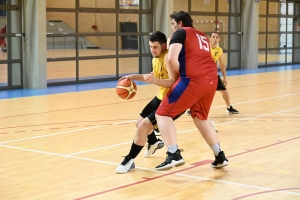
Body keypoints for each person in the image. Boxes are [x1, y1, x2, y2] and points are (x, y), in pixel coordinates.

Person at [144, 11, 228, 171]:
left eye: (173, 24)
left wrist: (181, 74)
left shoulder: (180, 33)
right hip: (211, 80)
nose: (172, 28)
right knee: (200, 117)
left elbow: (170, 58)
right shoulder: (202, 35)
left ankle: (173, 154)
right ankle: (220, 156)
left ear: (180, 24)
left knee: (162, 114)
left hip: (193, 79)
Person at [115, 31, 184, 174]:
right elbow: (150, 77)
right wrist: (132, 77)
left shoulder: (168, 58)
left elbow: (172, 82)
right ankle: (153, 142)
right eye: (151, 47)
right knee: (138, 123)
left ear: (164, 46)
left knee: (142, 128)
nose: (152, 50)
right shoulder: (155, 59)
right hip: (160, 97)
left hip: (170, 100)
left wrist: (154, 81)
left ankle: (129, 160)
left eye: (155, 47)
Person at [187, 31, 238, 115]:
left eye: (217, 37)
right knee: (199, 92)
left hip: (213, 75)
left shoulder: (219, 50)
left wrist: (224, 77)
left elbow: (222, 64)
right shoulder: (205, 48)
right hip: (202, 75)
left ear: (219, 39)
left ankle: (229, 107)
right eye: (213, 37)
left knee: (224, 91)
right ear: (210, 38)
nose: (215, 39)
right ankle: (193, 108)